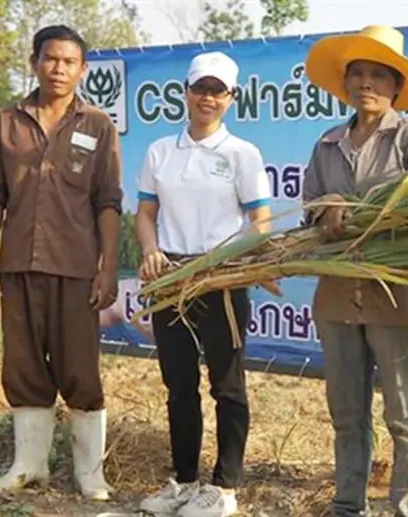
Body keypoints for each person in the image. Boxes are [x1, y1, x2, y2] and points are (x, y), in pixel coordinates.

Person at [0, 25, 122, 501]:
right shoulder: (6, 123)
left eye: (69, 61)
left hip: (77, 266)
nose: (59, 68)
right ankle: (28, 466)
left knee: (81, 368)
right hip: (18, 263)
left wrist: (107, 268)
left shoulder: (98, 125)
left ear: (83, 69)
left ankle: (90, 474)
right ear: (35, 61)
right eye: (51, 59)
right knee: (22, 366)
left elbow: (107, 201)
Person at [301, 26, 408, 517]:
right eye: (357, 74)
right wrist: (327, 207)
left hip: (394, 296)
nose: (367, 83)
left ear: (397, 86)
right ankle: (347, 505)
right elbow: (309, 206)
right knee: (347, 413)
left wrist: (366, 210)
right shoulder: (327, 143)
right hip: (338, 295)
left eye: (378, 75)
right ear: (345, 84)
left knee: (404, 412)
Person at [134, 51, 271, 517]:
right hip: (170, 278)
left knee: (227, 385)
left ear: (232, 98)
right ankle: (185, 482)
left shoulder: (242, 154)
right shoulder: (160, 152)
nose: (208, 98)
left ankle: (225, 489)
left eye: (219, 91)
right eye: (201, 88)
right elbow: (146, 213)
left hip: (222, 280)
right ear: (186, 92)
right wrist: (151, 250)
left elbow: (260, 222)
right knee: (179, 385)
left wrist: (220, 261)